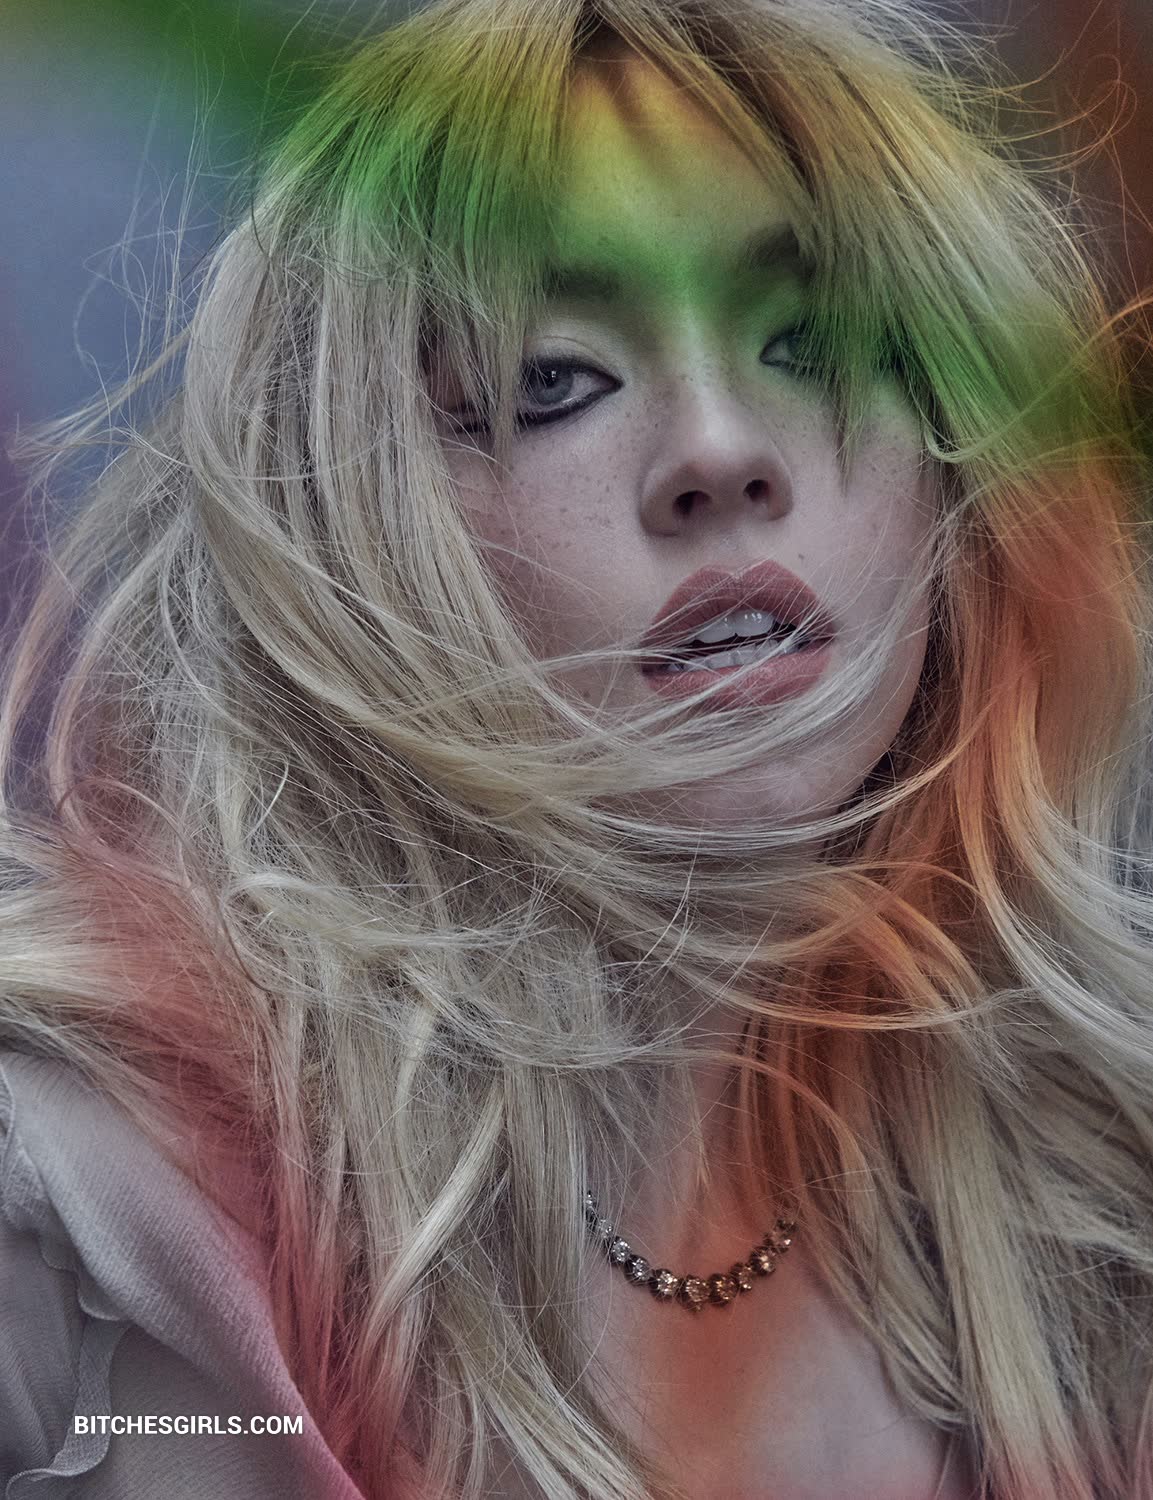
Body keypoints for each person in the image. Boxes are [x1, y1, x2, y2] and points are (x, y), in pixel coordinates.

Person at [1, 0, 1151, 1496]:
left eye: (812, 341)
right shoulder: (82, 1199)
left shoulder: (1099, 1199)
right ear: (353, 520)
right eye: (555, 380)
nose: (720, 453)